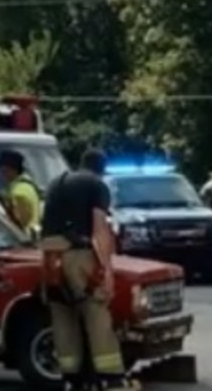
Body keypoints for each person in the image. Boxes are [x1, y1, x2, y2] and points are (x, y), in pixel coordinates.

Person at [39, 149, 133, 391]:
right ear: (102, 169)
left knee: (63, 316)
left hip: (50, 257)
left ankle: (71, 378)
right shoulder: (96, 185)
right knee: (96, 312)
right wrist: (107, 269)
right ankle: (111, 377)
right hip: (78, 255)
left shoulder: (56, 183)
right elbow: (99, 228)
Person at [0, 150, 42, 237]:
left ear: (9, 169)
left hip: (23, 238)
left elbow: (20, 222)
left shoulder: (19, 193)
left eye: (2, 170)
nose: (0, 174)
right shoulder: (28, 186)